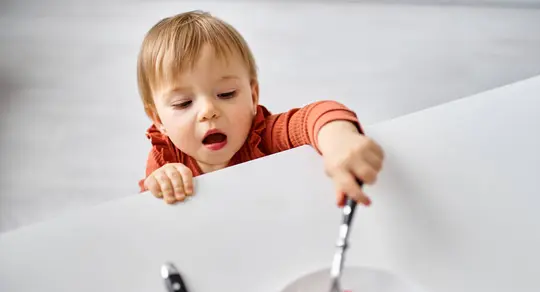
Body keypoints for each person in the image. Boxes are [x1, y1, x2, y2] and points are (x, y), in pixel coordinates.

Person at [137, 10, 384, 206]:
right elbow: (145, 221)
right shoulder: (164, 159)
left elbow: (313, 116)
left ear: (253, 95)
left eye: (226, 94)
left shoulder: (264, 136)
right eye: (183, 103)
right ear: (158, 119)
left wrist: (338, 141)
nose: (208, 111)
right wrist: (158, 185)